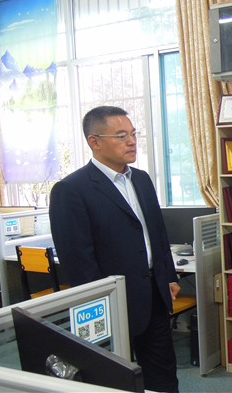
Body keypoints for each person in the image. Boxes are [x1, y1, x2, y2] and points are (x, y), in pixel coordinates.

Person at [49, 106, 180, 393]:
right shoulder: (71, 189)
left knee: (163, 374)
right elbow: (77, 260)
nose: (132, 142)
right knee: (112, 379)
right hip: (109, 301)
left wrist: (168, 276)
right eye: (121, 136)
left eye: (133, 134)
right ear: (94, 141)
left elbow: (156, 233)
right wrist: (97, 303)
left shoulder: (141, 179)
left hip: (153, 294)